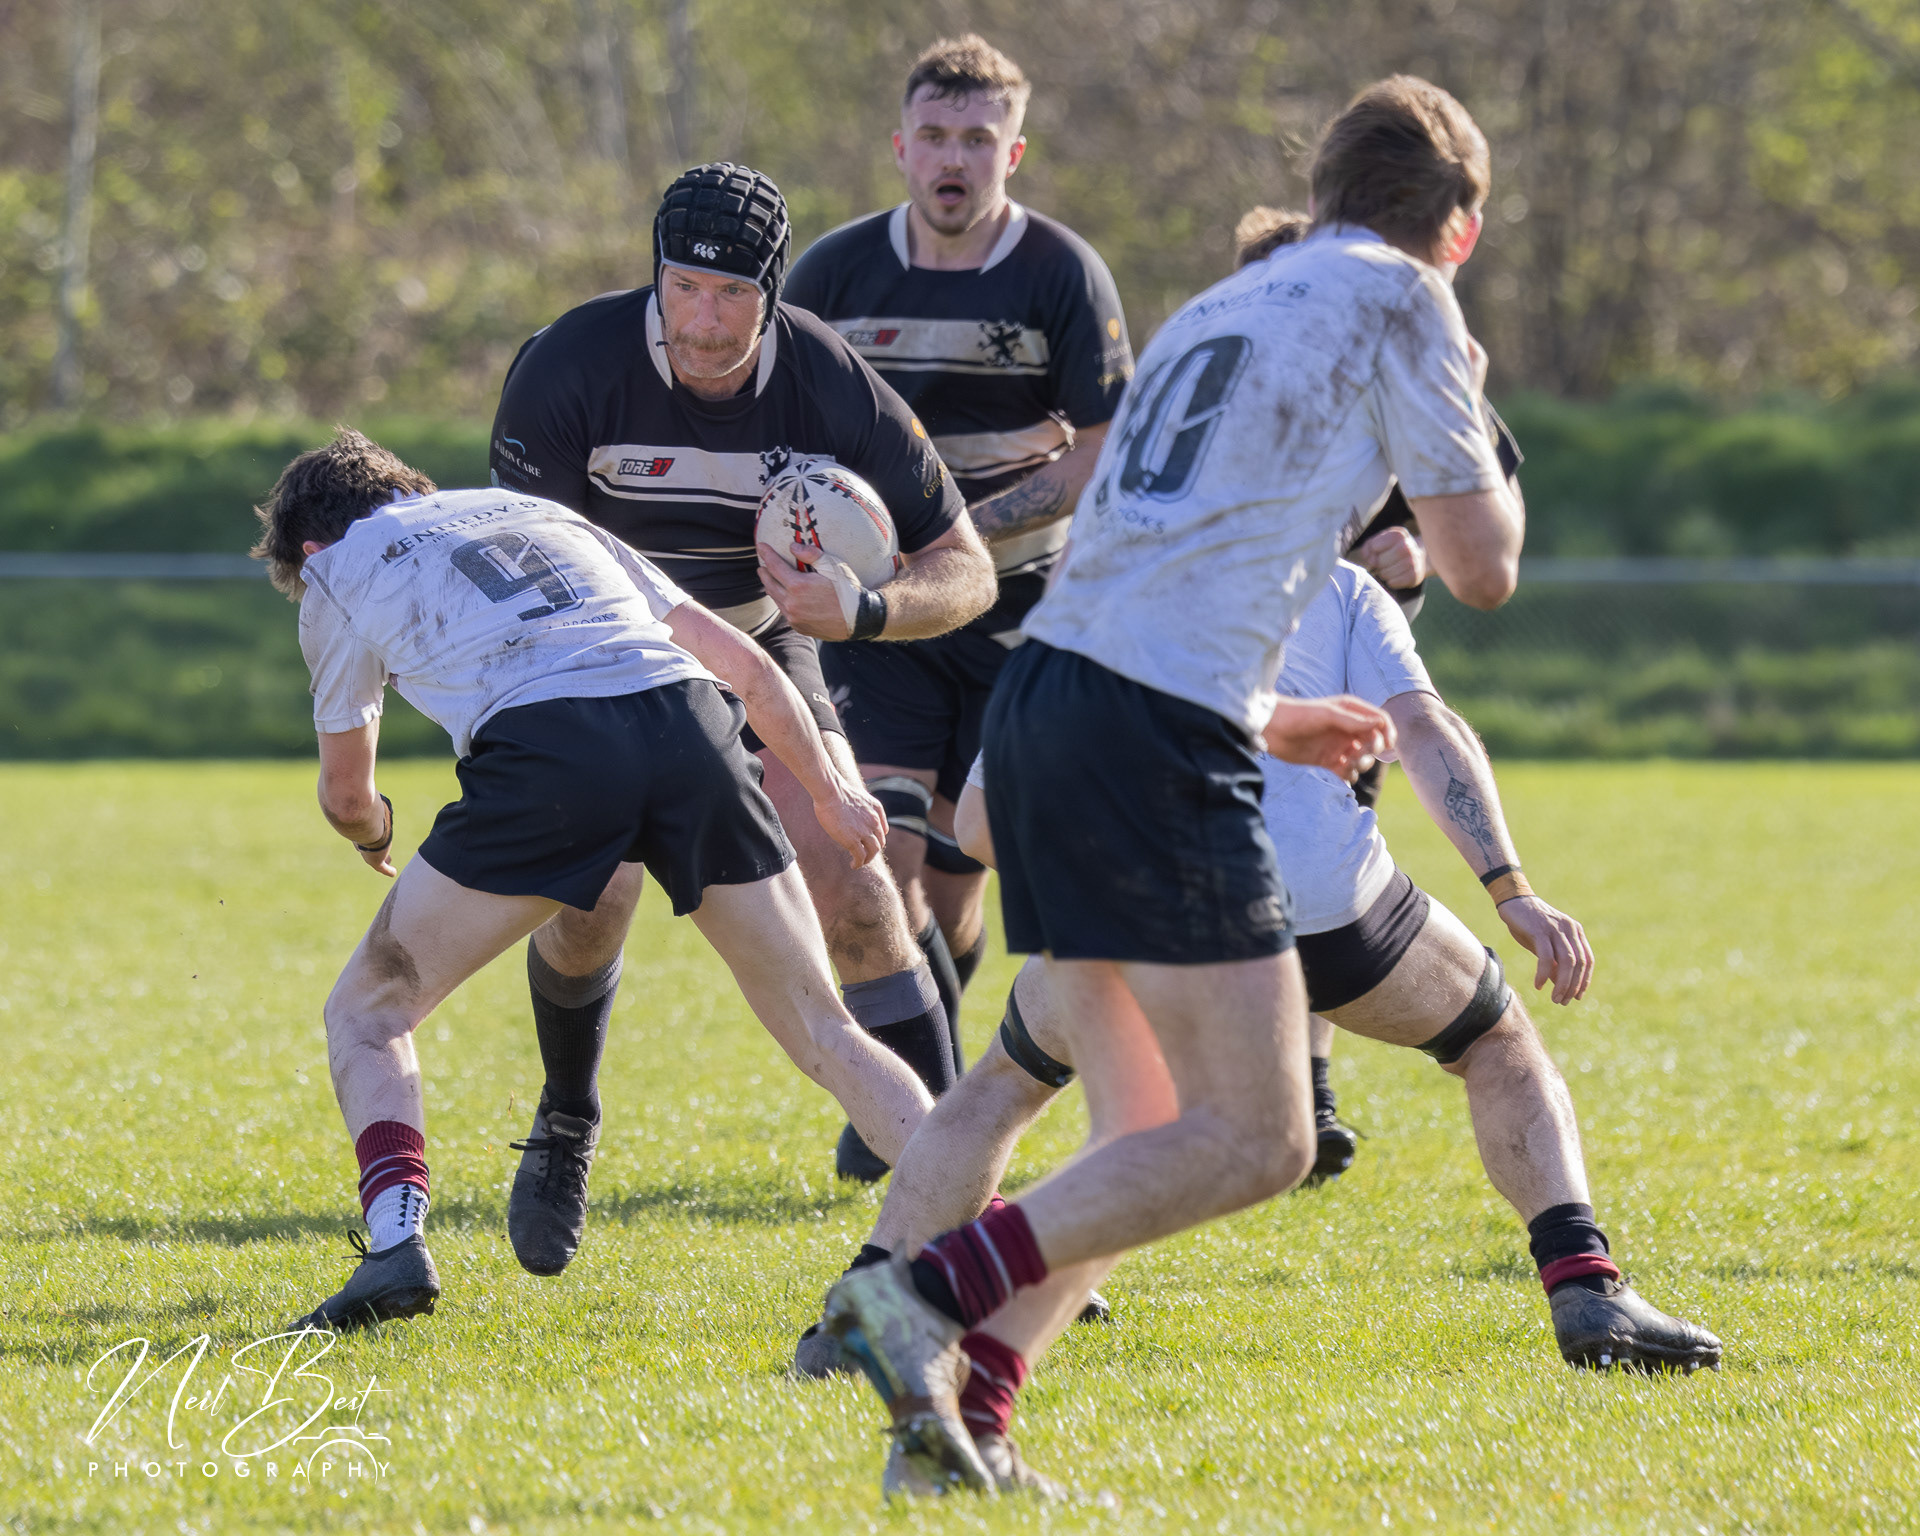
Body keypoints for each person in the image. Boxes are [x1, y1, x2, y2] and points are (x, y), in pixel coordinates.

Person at [821, 75, 1530, 1495]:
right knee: (1259, 1138)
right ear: (1457, 231)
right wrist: (1459, 400)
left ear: (1318, 196)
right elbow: (1480, 566)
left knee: (1144, 1133)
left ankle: (966, 1432)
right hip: (1148, 742)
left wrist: (1267, 713)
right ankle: (920, 1295)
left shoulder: (1222, 307)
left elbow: (1145, 560)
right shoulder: (1407, 299)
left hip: (1049, 702)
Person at [798, 561, 1721, 1494]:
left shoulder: (1089, 584)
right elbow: (1429, 711)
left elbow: (985, 822)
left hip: (1122, 911)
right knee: (1435, 1066)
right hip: (1317, 901)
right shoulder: (1332, 578)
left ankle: (883, 1300)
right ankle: (1584, 1283)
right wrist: (1509, 888)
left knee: (1043, 1103)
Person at [249, 430, 936, 1330]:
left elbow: (346, 796)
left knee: (369, 1010)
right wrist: (831, 793)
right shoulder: (536, 510)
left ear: (309, 548)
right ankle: (989, 1227)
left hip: (553, 752)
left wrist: (374, 829)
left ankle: (395, 1244)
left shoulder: (337, 568)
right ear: (412, 490)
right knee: (826, 1029)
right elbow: (746, 665)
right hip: (692, 727)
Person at [488, 162, 998, 1233]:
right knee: (591, 901)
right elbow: (530, 579)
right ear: (656, 275)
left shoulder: (828, 379)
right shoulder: (568, 366)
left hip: (767, 644)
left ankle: (958, 1194)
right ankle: (567, 1117)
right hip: (606, 661)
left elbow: (967, 569)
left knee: (859, 887)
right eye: (684, 287)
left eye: (733, 295)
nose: (705, 322)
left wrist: (866, 611)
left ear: (772, 293)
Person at [784, 35, 1135, 1177]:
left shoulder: (1061, 273)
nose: (954, 158)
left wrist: (960, 534)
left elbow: (1102, 450)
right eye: (934, 136)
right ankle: (918, 1100)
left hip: (1021, 619)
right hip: (881, 618)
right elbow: (779, 425)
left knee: (954, 882)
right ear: (899, 146)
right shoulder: (835, 274)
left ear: (1012, 153)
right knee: (877, 855)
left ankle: (924, 1072)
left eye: (978, 139)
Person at [1228, 203, 1526, 1184]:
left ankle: (1305, 1097)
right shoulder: (1237, 393)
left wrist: (1423, 552)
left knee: (1319, 853)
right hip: (1224, 699)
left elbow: (1490, 519)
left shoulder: (1398, 369)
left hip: (1343, 673)